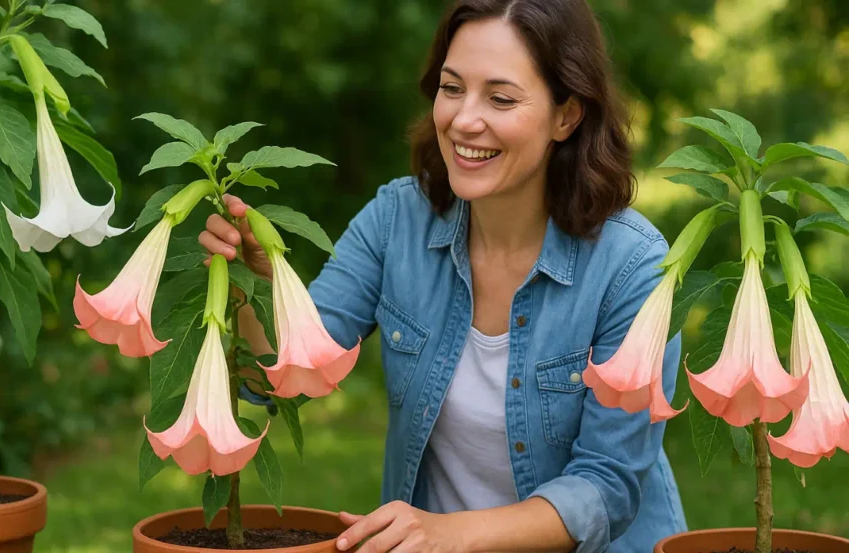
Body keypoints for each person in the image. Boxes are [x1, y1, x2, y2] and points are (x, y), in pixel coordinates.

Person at [199, 0, 687, 551]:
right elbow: (281, 379)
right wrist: (254, 288)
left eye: (500, 98)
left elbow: (606, 486)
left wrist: (448, 533)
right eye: (452, 88)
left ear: (566, 116)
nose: (463, 119)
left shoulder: (632, 265)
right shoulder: (395, 222)